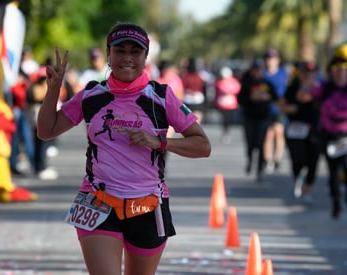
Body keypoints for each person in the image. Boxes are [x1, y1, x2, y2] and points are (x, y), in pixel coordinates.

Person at [37, 22, 211, 275]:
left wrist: (160, 142)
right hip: (97, 201)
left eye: (135, 52)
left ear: (145, 57)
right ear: (109, 54)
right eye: (120, 51)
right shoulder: (91, 95)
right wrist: (53, 89)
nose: (127, 58)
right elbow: (46, 131)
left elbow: (203, 145)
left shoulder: (161, 97)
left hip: (148, 205)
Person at [301, 53, 347, 219]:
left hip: (346, 135)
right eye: (336, 68)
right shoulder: (325, 87)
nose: (340, 71)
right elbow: (304, 97)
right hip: (328, 135)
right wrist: (307, 84)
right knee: (333, 172)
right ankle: (336, 202)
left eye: (344, 67)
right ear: (330, 71)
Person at [280, 61, 321, 204]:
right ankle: (297, 177)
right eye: (305, 72)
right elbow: (283, 105)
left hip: (314, 130)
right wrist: (292, 109)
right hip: (295, 129)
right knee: (298, 159)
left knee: (313, 162)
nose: (308, 75)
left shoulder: (320, 89)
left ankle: (308, 190)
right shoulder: (293, 87)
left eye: (311, 73)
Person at [238, 59, 278, 182]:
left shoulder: (267, 83)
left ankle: (260, 169)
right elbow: (240, 99)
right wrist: (251, 98)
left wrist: (266, 97)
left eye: (259, 69)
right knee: (250, 142)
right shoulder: (247, 83)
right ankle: (250, 159)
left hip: (263, 117)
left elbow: (275, 97)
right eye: (255, 69)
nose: (257, 72)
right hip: (249, 117)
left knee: (261, 143)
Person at [262, 48, 289, 173]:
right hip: (266, 108)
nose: (270, 61)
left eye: (272, 58)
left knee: (279, 131)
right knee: (268, 134)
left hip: (279, 107)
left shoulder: (284, 73)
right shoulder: (262, 74)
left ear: (277, 60)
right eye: (268, 58)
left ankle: (278, 159)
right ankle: (268, 160)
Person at [214, 66, 241, 143]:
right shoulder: (219, 82)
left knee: (230, 119)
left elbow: (237, 90)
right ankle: (225, 132)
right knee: (224, 119)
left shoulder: (234, 82)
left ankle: (227, 131)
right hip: (222, 104)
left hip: (231, 104)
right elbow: (218, 92)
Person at [181, 57, 207, 124]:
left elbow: (183, 87)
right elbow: (203, 87)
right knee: (198, 113)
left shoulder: (186, 76)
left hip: (188, 97)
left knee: (186, 114)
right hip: (198, 97)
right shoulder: (200, 76)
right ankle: (196, 126)